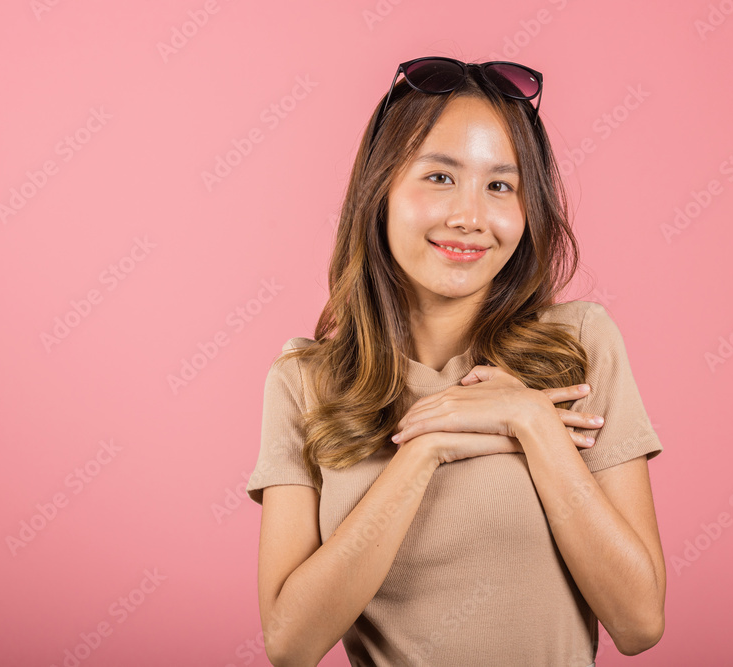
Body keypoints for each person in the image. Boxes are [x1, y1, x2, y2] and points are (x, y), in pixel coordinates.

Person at [245, 56, 666, 667]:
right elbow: (289, 644)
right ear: (381, 189)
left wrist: (532, 422)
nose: (469, 217)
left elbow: (640, 620)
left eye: (501, 185)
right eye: (440, 177)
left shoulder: (578, 345)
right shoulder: (305, 383)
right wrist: (426, 447)